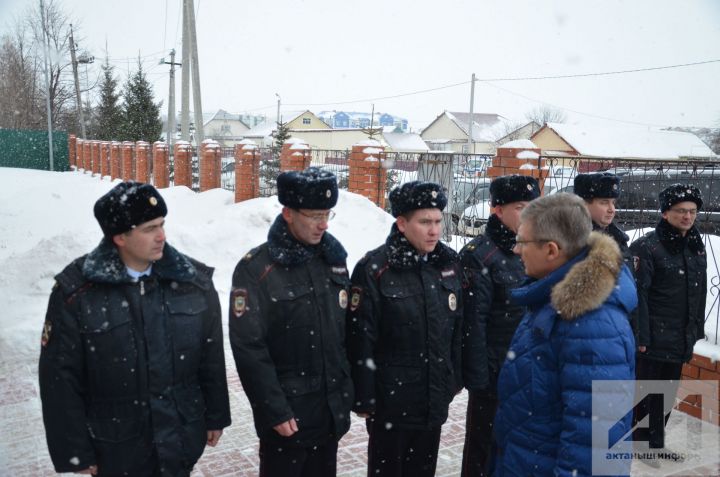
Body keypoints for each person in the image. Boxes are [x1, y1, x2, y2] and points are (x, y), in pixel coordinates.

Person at [39, 181, 231, 477]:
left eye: (162, 224)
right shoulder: (77, 294)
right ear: (119, 237)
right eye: (149, 228)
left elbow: (210, 357)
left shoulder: (193, 283)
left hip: (180, 436)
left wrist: (215, 416)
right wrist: (76, 451)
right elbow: (60, 378)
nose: (161, 236)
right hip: (116, 446)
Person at [492, 193, 636, 477]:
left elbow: (598, 453)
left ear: (551, 250)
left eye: (522, 241)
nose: (516, 249)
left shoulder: (593, 328)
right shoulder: (551, 299)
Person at [229, 167, 353, 477]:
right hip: (288, 419)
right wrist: (274, 409)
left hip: (329, 414)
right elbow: (248, 347)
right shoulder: (256, 269)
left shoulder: (334, 261)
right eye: (313, 215)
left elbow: (345, 334)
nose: (323, 224)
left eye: (327, 214)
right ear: (288, 213)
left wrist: (346, 392)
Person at [347, 181, 463, 477]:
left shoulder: (448, 264)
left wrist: (452, 380)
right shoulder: (375, 268)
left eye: (438, 221)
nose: (434, 230)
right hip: (391, 405)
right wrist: (365, 397)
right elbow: (361, 337)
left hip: (433, 399)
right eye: (425, 222)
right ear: (401, 223)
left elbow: (458, 329)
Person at [459, 175, 539, 477]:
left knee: (516, 445)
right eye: (520, 207)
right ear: (497, 209)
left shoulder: (537, 249)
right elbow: (473, 323)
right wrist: (480, 377)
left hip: (529, 367)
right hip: (494, 371)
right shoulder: (479, 255)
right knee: (482, 446)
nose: (529, 214)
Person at [630, 183, 706, 457]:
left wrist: (694, 331)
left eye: (692, 211)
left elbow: (697, 294)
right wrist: (642, 337)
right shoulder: (647, 247)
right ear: (665, 213)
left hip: (678, 336)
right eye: (680, 211)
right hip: (652, 338)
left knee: (666, 395)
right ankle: (638, 445)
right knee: (646, 394)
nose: (687, 217)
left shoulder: (696, 247)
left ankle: (653, 444)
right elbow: (639, 296)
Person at [574, 172, 633, 268]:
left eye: (613, 203)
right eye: (604, 203)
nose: (612, 209)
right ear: (584, 204)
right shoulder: (574, 240)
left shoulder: (618, 237)